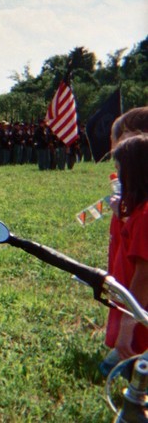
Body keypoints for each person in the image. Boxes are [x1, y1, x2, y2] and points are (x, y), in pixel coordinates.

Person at [104, 134, 148, 363]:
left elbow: (143, 277)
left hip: (140, 315)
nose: (117, 177)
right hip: (133, 306)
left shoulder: (144, 216)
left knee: (127, 371)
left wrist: (127, 326)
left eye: (119, 170)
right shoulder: (139, 212)